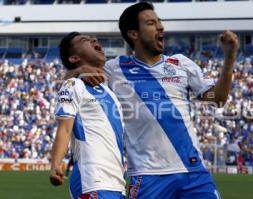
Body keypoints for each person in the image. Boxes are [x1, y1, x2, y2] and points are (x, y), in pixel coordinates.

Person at [68, 2, 239, 198]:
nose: (160, 26)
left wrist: (230, 57)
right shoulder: (115, 69)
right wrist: (80, 72)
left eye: (159, 22)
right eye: (151, 23)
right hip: (147, 176)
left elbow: (217, 99)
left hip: (194, 173)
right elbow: (69, 84)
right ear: (134, 34)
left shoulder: (181, 64)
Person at [49, 32, 126, 199]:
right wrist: (56, 163)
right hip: (92, 180)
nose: (94, 40)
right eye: (85, 40)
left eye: (95, 39)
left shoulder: (109, 90)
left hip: (117, 184)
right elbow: (64, 128)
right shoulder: (74, 84)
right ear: (74, 58)